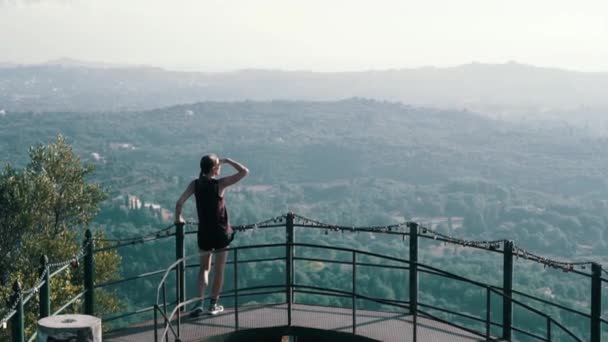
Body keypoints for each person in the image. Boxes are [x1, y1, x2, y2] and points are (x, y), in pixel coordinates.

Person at [175, 154, 249, 315]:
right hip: (221, 233)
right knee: (219, 270)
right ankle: (213, 304)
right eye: (219, 166)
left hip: (204, 233)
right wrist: (229, 160)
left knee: (204, 269)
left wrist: (178, 218)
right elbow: (244, 172)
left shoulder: (195, 185)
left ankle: (198, 303)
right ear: (214, 169)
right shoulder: (220, 184)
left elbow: (179, 202)